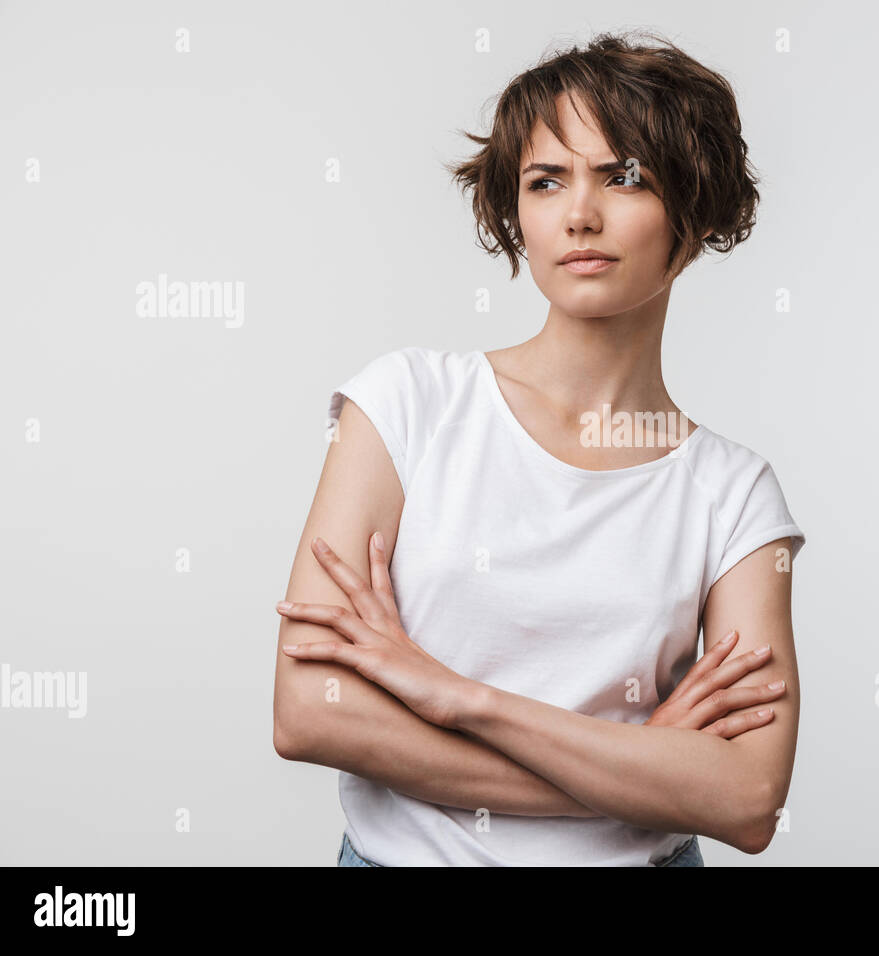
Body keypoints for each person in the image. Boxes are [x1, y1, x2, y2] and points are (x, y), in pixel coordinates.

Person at [272, 30, 806, 867]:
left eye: (624, 176)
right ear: (515, 210)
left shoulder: (734, 495)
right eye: (546, 180)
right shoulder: (407, 404)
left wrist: (455, 698)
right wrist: (639, 768)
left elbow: (745, 801)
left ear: (693, 216)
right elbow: (308, 713)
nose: (579, 214)